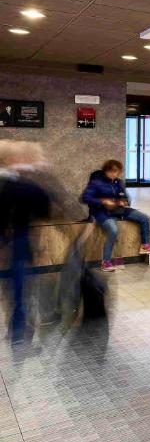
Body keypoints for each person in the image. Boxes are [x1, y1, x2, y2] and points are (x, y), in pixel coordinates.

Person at [0, 142, 52, 339]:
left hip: (11, 240)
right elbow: (44, 208)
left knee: (14, 289)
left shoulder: (13, 182)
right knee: (20, 289)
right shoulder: (22, 185)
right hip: (16, 241)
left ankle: (17, 330)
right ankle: (19, 333)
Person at [80, 159, 150, 272]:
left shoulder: (119, 182)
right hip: (101, 212)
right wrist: (104, 201)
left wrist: (124, 201)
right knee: (113, 230)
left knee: (145, 218)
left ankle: (145, 245)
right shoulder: (96, 182)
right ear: (105, 171)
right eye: (110, 171)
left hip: (118, 210)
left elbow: (125, 197)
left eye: (116, 172)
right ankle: (106, 262)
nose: (113, 174)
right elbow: (85, 198)